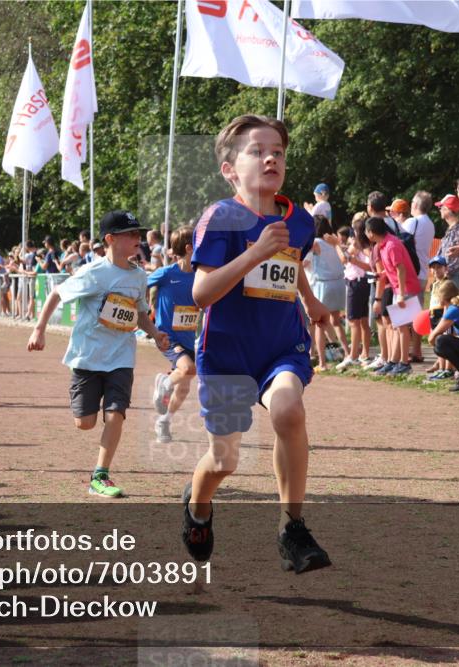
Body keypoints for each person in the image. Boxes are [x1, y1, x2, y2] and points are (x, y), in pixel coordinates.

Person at [177, 114, 331, 574]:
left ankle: (293, 527)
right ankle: (197, 506)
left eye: (278, 152)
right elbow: (202, 294)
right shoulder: (220, 219)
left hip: (281, 345)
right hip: (226, 354)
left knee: (289, 411)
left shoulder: (299, 220)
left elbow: (292, 261)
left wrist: (312, 301)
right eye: (256, 150)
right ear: (230, 169)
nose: (270, 158)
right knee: (224, 460)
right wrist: (255, 252)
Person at [28, 210, 170, 497]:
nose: (137, 239)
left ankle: (100, 475)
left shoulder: (139, 275)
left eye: (138, 234)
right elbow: (56, 293)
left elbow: (139, 312)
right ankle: (86, 415)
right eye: (130, 234)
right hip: (87, 357)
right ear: (110, 239)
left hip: (121, 356)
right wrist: (38, 329)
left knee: (116, 413)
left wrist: (155, 334)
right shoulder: (93, 272)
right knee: (85, 423)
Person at [149, 225, 199, 444]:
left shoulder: (200, 275)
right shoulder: (167, 273)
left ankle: (164, 421)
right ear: (189, 248)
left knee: (185, 386)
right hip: (168, 336)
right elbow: (139, 286)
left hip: (188, 337)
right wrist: (146, 311)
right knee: (189, 369)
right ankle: (164, 383)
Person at [367, 216, 420, 376]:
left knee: (402, 327)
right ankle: (395, 361)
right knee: (399, 326)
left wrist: (402, 294)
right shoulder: (383, 245)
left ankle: (404, 363)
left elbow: (401, 269)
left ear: (370, 232)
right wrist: (382, 274)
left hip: (405, 288)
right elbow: (393, 268)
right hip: (399, 289)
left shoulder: (391, 245)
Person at [305, 215, 348, 371]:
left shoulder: (315, 243)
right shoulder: (333, 243)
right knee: (336, 322)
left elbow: (304, 260)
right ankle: (346, 354)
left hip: (322, 286)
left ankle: (322, 362)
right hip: (338, 283)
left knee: (319, 324)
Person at [363, 192, 395, 372]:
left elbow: (380, 271)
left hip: (386, 284)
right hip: (395, 282)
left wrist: (377, 298)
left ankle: (386, 357)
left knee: (385, 322)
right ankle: (391, 357)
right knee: (393, 324)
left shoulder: (378, 242)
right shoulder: (395, 223)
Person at [336, 212, 373, 369]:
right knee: (363, 320)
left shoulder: (358, 243)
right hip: (363, 282)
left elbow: (344, 259)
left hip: (355, 282)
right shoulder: (366, 244)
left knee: (353, 321)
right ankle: (364, 353)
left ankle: (353, 355)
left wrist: (335, 245)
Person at [404, 191, 435, 362]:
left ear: (415, 205)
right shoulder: (430, 223)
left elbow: (402, 243)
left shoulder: (412, 222)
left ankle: (405, 352)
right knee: (417, 313)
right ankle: (417, 350)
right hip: (423, 271)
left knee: (406, 315)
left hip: (411, 272)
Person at [435, 194, 459, 286]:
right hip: (446, 277)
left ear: (448, 209)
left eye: (441, 207)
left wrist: (444, 272)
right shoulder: (451, 228)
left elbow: (457, 258)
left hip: (452, 278)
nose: (439, 209)